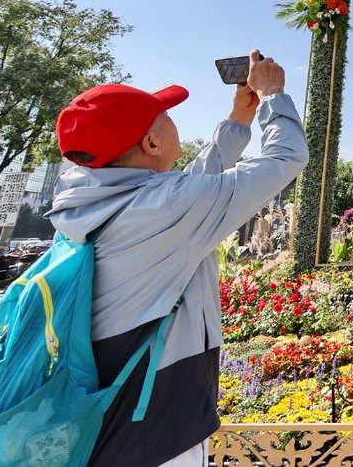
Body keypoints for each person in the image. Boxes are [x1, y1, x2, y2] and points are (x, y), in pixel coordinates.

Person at [47, 50, 308, 467]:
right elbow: (285, 158)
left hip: (105, 419)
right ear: (151, 143)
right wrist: (274, 97)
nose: (172, 120)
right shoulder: (166, 205)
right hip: (156, 426)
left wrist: (238, 121)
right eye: (164, 115)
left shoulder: (90, 203)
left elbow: (190, 186)